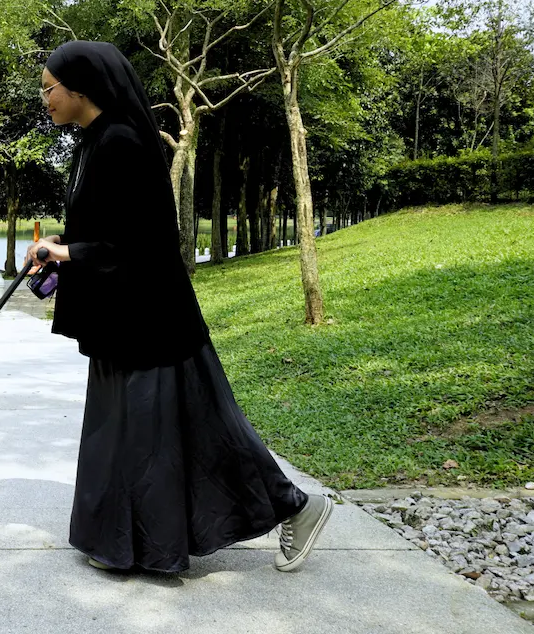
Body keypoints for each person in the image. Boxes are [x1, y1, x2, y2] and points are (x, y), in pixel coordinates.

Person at [25, 40, 331, 575]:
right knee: (131, 435)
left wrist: (66, 251)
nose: (45, 99)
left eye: (49, 90)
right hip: (124, 320)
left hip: (152, 320)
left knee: (177, 435)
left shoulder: (122, 142)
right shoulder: (94, 141)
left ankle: (299, 507)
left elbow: (142, 243)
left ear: (80, 89)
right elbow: (105, 228)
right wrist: (58, 247)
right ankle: (128, 546)